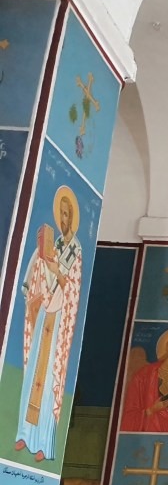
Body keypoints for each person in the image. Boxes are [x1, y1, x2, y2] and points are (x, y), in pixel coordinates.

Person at [16, 186, 83, 462]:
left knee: (50, 378)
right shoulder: (55, 246)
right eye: (62, 214)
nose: (64, 219)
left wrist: (59, 273)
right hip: (46, 311)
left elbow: (74, 290)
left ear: (72, 218)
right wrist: (43, 267)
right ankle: (24, 433)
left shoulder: (76, 250)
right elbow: (42, 274)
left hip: (59, 322)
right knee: (34, 371)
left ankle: (43, 442)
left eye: (67, 214)